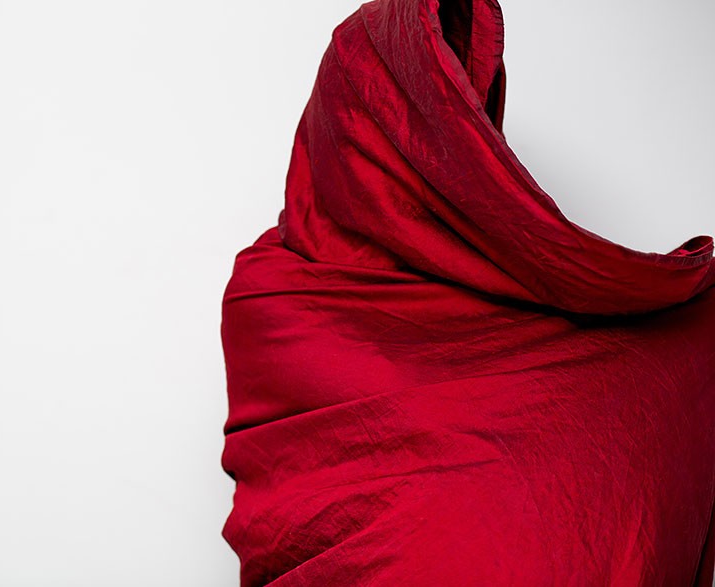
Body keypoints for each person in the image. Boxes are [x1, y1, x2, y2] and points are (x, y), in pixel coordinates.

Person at [220, 0, 715, 584]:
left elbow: (614, 438)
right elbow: (294, 487)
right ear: (353, 118)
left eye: (460, 119)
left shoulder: (537, 305)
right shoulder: (270, 292)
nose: (451, 143)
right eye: (430, 117)